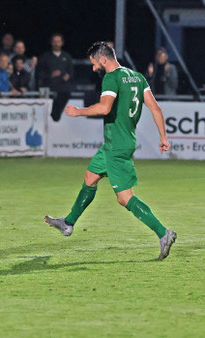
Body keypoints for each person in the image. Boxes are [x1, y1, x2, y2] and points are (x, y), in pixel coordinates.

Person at [44, 41, 177, 260]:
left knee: (125, 198)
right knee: (90, 177)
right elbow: (156, 108)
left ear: (103, 59)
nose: (94, 68)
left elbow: (105, 107)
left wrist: (79, 112)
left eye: (94, 63)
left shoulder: (111, 77)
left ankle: (164, 233)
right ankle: (68, 223)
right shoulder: (137, 77)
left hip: (117, 146)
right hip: (114, 144)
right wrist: (163, 136)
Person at [37, 33, 74, 121]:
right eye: (54, 41)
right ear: (51, 43)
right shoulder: (45, 57)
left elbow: (72, 72)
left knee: (63, 97)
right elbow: (39, 73)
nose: (56, 44)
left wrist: (68, 76)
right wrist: (50, 75)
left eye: (58, 41)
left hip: (63, 89)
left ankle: (56, 116)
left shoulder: (67, 57)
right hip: (49, 87)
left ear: (62, 43)